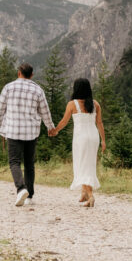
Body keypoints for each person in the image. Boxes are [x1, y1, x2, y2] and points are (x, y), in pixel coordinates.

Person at [0, 62, 55, 207]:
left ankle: (21, 188)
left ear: (19, 73)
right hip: (31, 132)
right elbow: (44, 111)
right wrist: (50, 127)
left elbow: (0, 109)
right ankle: (30, 196)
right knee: (29, 164)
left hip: (13, 130)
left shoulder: (8, 88)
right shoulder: (38, 90)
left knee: (14, 162)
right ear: (32, 75)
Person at [49, 78, 106, 207]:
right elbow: (100, 123)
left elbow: (64, 122)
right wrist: (103, 140)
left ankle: (90, 196)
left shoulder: (72, 104)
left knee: (82, 165)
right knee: (89, 165)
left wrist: (55, 130)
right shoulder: (95, 104)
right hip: (93, 137)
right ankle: (84, 193)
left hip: (81, 138)